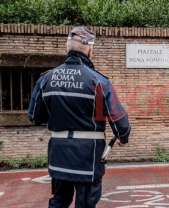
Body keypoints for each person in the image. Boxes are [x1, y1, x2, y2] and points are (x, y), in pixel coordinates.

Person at [28, 26, 131, 208]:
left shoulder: (46, 79)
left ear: (67, 48)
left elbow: (35, 116)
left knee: (59, 201)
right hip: (88, 158)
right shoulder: (99, 82)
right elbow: (119, 121)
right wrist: (123, 136)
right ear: (90, 50)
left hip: (59, 155)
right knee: (85, 204)